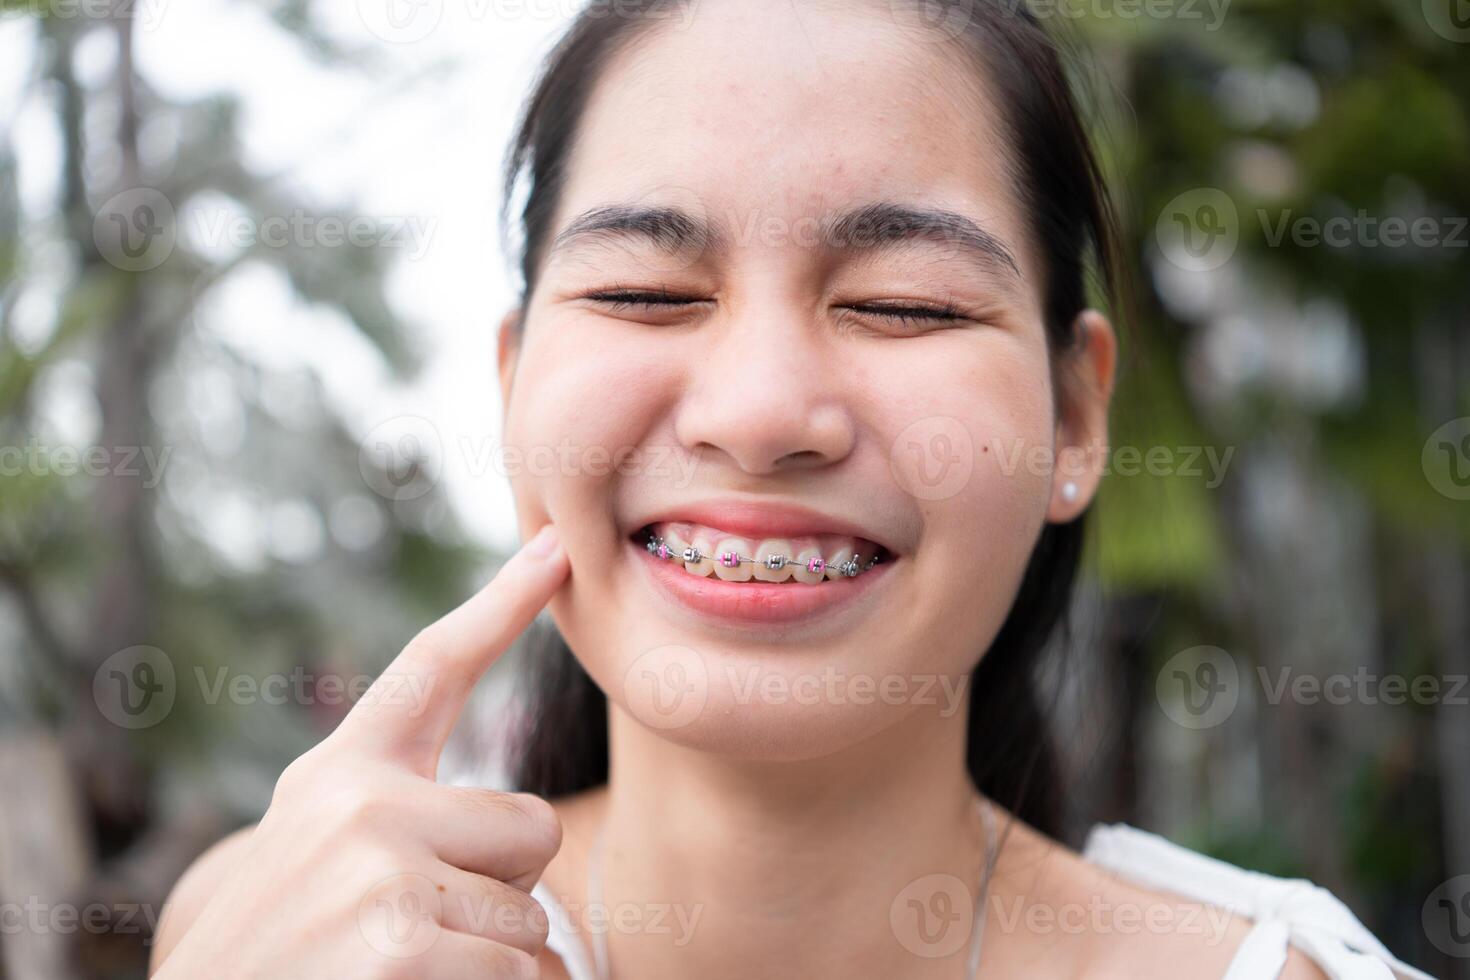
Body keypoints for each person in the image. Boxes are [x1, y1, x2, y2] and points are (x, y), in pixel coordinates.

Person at [147, 1, 1434, 977]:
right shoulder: (282, 922)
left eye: (904, 303)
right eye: (644, 294)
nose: (759, 413)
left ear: (1078, 416)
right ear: (513, 384)